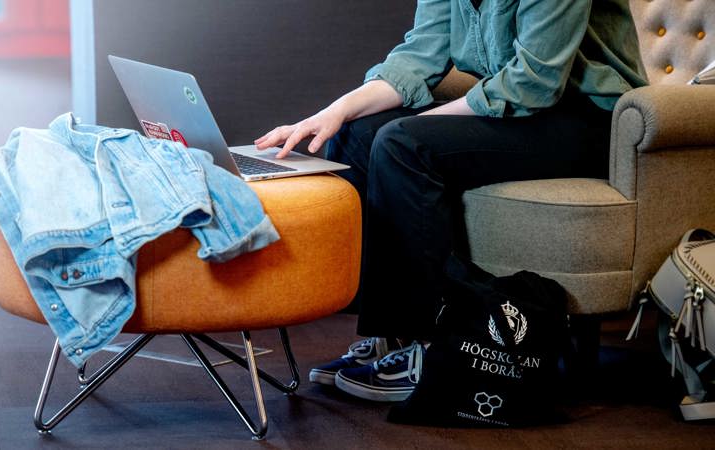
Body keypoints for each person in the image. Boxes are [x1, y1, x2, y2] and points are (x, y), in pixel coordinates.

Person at [255, 0, 646, 402]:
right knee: (351, 137)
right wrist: (331, 113)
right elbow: (419, 54)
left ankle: (430, 349)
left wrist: (415, 126)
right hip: (522, 114)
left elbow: (535, 81)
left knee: (401, 143)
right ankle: (392, 338)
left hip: (592, 121)